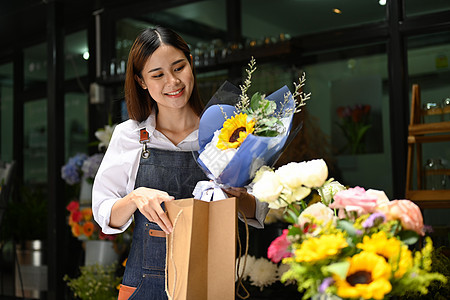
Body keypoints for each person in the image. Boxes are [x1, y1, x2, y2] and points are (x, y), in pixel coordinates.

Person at [92, 26, 269, 300]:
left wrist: (237, 197)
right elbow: (105, 215)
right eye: (158, 75)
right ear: (141, 81)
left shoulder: (227, 132)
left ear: (191, 64)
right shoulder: (130, 135)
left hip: (211, 283)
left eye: (178, 68)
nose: (172, 82)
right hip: (144, 287)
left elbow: (259, 208)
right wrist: (135, 198)